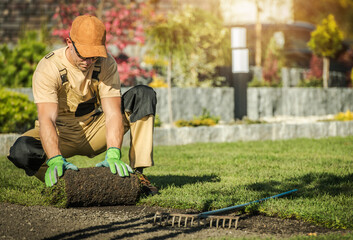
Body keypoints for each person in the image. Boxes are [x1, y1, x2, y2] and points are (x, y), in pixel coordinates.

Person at [7, 15, 158, 195]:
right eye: (84, 55)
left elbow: (112, 113)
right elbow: (47, 118)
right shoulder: (49, 67)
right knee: (21, 151)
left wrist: (113, 153)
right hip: (60, 135)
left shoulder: (106, 63)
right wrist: (54, 158)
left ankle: (138, 176)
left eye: (94, 57)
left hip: (94, 130)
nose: (88, 62)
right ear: (69, 42)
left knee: (143, 94)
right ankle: (61, 183)